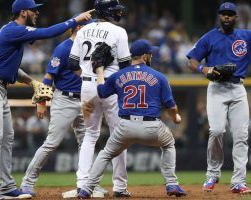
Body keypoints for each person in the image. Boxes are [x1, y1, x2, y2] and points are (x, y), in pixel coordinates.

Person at [0, 0, 94, 198]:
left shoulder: (12, 32)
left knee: (7, 137)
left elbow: (6, 67)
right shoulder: (13, 30)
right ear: (23, 12)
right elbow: (47, 32)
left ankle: (6, 186)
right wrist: (75, 19)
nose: (37, 13)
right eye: (34, 10)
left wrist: (30, 82)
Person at [77, 39, 187, 199]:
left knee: (106, 154)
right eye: (149, 54)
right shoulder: (159, 76)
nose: (151, 56)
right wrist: (175, 117)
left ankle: (86, 189)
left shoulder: (118, 75)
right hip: (152, 127)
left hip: (125, 127)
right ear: (144, 56)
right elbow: (170, 106)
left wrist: (100, 71)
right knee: (169, 144)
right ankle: (171, 184)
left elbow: (101, 92)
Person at [20, 15, 105, 198]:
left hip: (84, 100)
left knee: (88, 143)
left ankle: (90, 185)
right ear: (78, 28)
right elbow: (48, 78)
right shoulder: (64, 47)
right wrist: (42, 102)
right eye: (87, 28)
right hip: (64, 99)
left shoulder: (90, 48)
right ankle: (27, 183)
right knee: (52, 143)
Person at [68, 0, 132, 198]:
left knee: (90, 135)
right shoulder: (118, 31)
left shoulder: (83, 31)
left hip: (87, 86)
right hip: (110, 85)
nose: (119, 13)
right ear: (108, 12)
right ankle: (120, 187)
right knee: (118, 136)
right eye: (115, 10)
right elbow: (125, 65)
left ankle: (82, 183)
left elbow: (71, 63)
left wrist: (88, 77)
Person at [187, 2, 251, 194]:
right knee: (216, 131)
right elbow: (192, 61)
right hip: (216, 88)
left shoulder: (246, 36)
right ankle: (212, 174)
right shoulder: (209, 37)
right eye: (224, 14)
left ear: (236, 17)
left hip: (238, 87)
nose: (227, 17)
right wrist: (204, 69)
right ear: (219, 16)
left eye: (230, 14)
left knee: (241, 135)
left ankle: (238, 181)